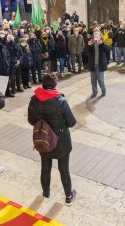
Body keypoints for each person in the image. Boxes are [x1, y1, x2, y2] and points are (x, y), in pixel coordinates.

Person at [27, 74, 77, 206]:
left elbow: (31, 121)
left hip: (44, 140)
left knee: (45, 167)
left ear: (43, 84)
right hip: (61, 141)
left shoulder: (34, 100)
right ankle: (68, 197)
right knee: (63, 168)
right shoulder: (61, 101)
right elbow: (71, 122)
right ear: (55, 85)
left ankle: (46, 194)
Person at [87, 28, 110, 98]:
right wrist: (89, 45)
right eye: (94, 34)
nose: (96, 35)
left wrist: (102, 44)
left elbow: (108, 49)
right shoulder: (91, 42)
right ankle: (94, 92)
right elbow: (86, 52)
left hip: (100, 65)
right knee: (93, 81)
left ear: (100, 35)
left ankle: (103, 91)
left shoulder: (102, 42)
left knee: (100, 80)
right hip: (93, 65)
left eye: (97, 33)